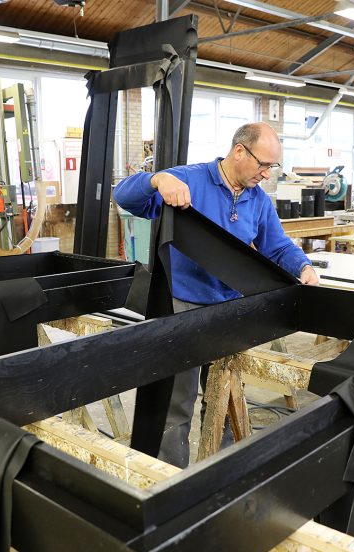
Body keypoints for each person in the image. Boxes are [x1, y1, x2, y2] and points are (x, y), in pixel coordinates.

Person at [113, 121, 319, 467]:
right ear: (240, 151)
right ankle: (168, 479)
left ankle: (219, 470)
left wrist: (303, 268)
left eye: (273, 166)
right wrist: (156, 180)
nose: (267, 174)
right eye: (263, 165)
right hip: (182, 308)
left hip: (230, 310)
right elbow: (123, 195)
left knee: (223, 398)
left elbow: (277, 245)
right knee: (175, 403)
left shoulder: (257, 199)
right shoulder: (188, 180)